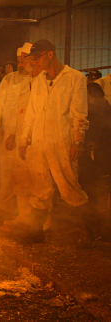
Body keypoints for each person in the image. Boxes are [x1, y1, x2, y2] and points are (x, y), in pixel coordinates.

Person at [17, 39, 89, 244]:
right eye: (32, 60)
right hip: (39, 143)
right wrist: (24, 140)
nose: (34, 64)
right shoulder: (38, 81)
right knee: (40, 188)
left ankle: (87, 233)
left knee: (70, 186)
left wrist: (78, 141)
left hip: (61, 142)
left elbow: (79, 113)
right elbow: (31, 113)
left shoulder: (74, 78)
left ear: (50, 54)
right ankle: (36, 232)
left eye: (37, 58)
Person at [0, 43, 34, 224]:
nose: (20, 64)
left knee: (26, 174)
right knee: (6, 172)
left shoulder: (38, 80)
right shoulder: (9, 79)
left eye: (23, 60)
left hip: (28, 135)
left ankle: (29, 213)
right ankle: (5, 205)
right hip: (8, 132)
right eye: (18, 60)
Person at [78, 83, 111, 244]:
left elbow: (101, 131)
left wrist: (92, 143)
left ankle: (96, 230)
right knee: (100, 193)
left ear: (91, 94)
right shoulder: (104, 106)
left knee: (95, 192)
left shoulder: (98, 109)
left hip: (98, 158)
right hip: (100, 158)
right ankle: (100, 229)